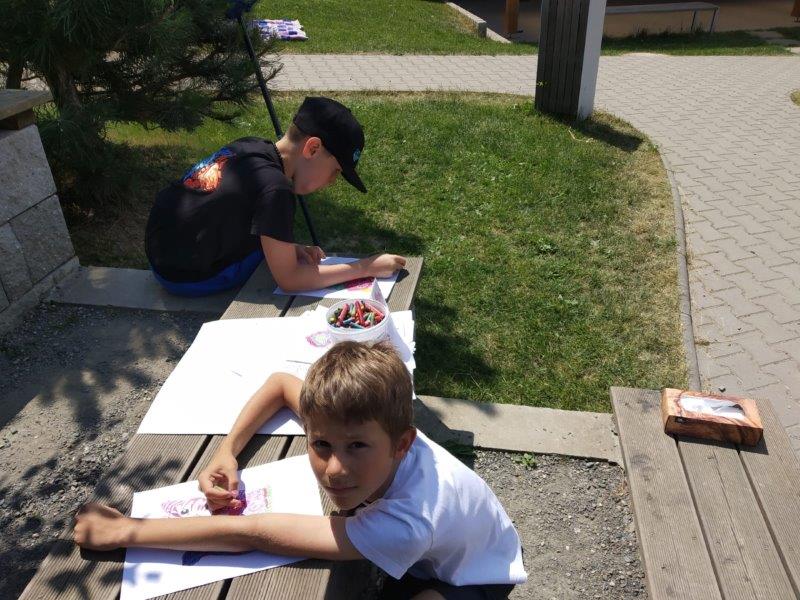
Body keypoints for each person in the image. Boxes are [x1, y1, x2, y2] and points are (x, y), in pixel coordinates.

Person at [74, 342, 528, 600]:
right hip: (465, 538)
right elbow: (280, 384)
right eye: (321, 445)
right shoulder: (378, 424)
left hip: (478, 574)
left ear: (402, 444)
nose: (335, 469)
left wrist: (127, 532)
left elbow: (255, 533)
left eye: (357, 447)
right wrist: (227, 452)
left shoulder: (405, 526)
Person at [145, 96, 406, 297]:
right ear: (313, 148)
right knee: (280, 270)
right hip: (186, 277)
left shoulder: (251, 146)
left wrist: (290, 249)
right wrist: (365, 267)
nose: (331, 181)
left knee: (281, 255)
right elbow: (290, 280)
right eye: (335, 171)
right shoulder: (276, 189)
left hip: (164, 252)